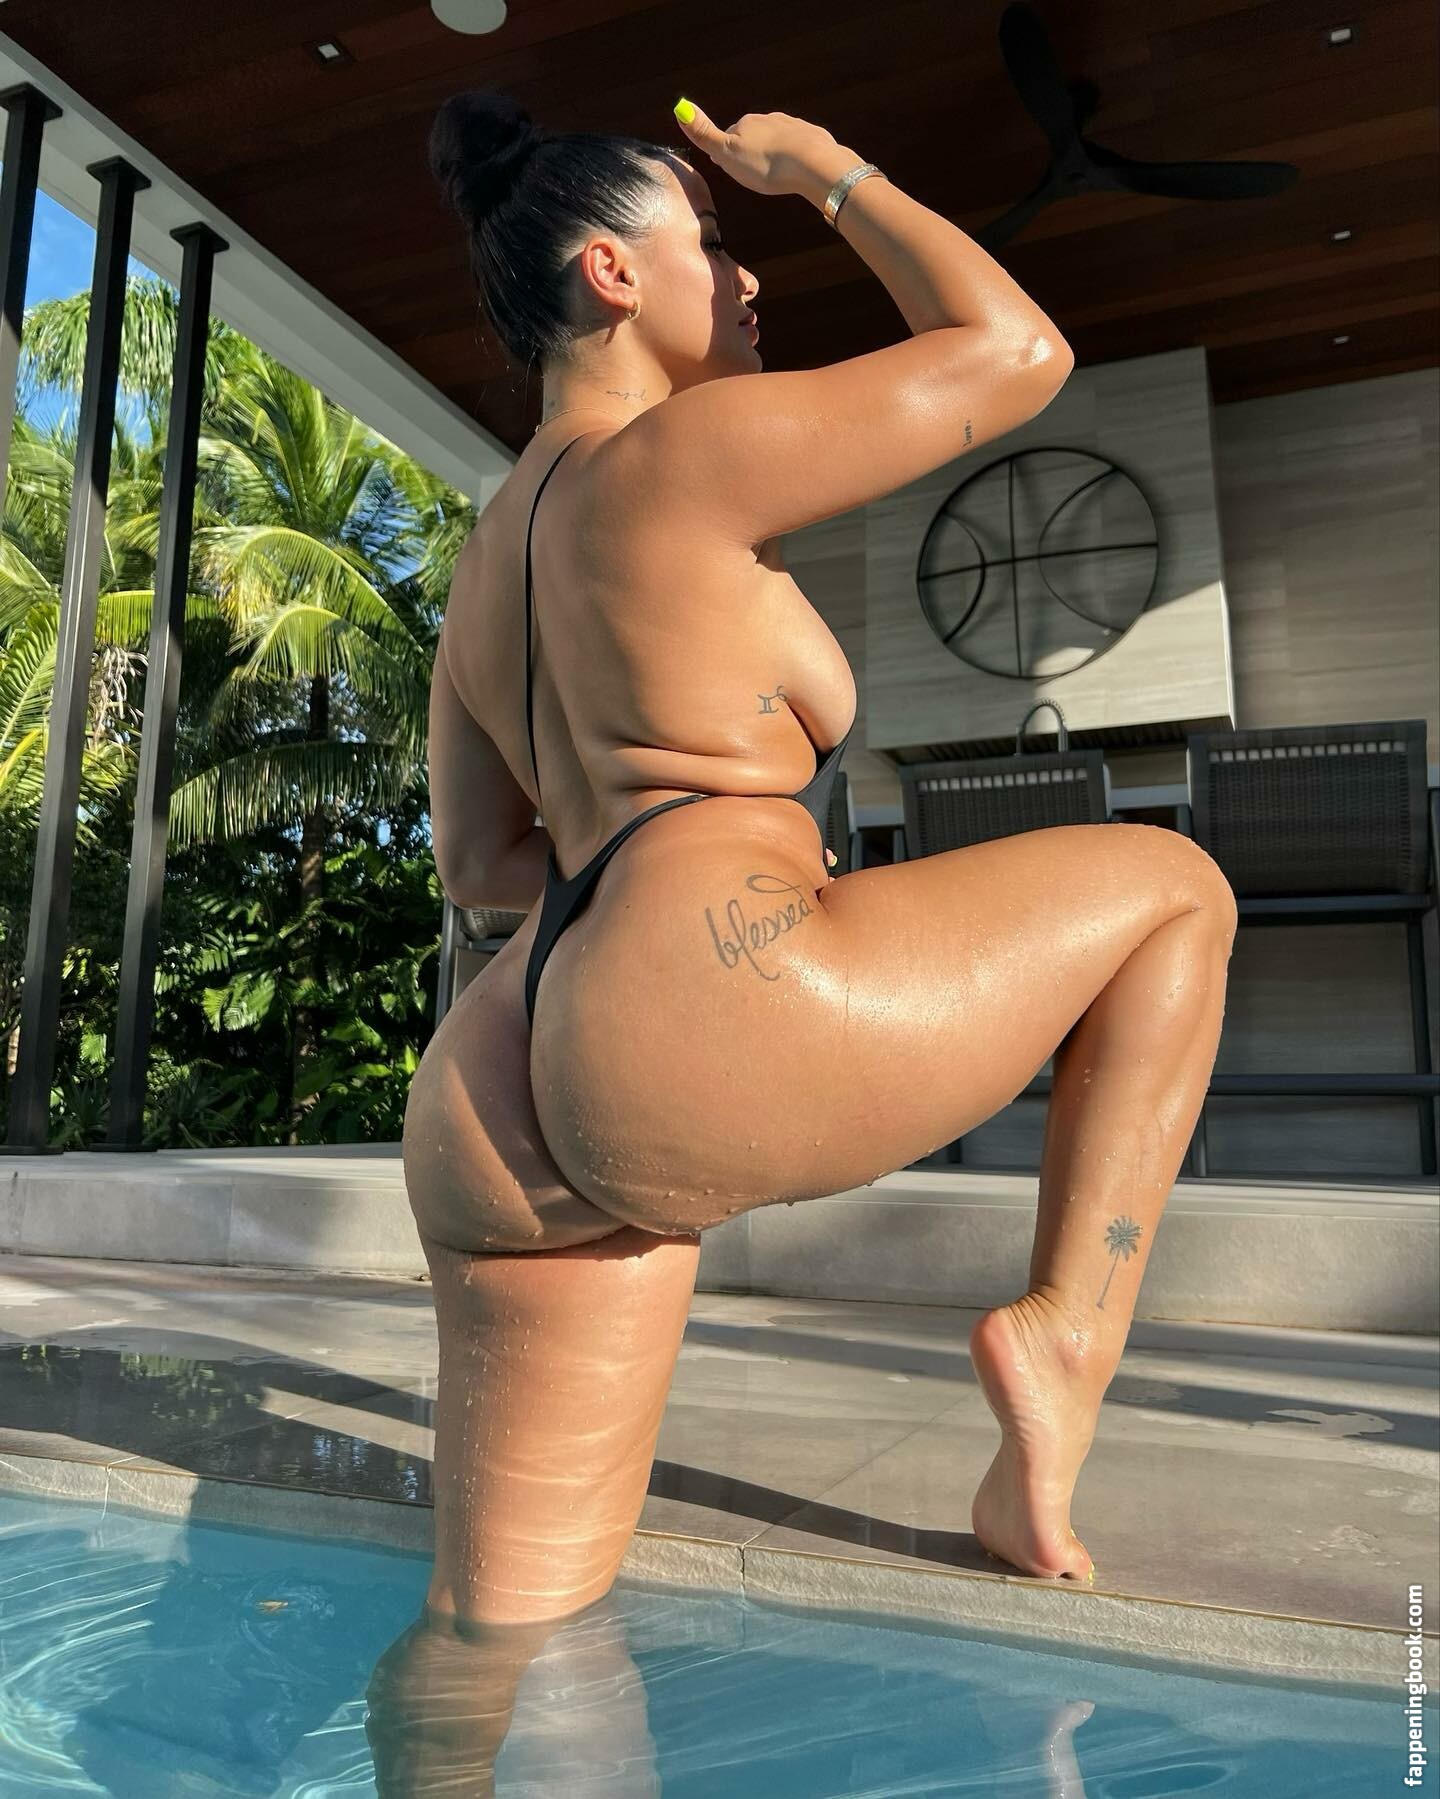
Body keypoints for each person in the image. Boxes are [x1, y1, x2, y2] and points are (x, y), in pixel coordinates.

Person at [401, 88, 1237, 1632]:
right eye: (713, 239)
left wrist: (639, 911)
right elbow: (1019, 352)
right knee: (1177, 890)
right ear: (612, 273)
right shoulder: (682, 451)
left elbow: (480, 859)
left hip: (498, 1070)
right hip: (710, 1006)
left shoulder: (485, 554)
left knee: (498, 1636)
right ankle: (1066, 1337)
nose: (749, 273)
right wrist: (829, 172)